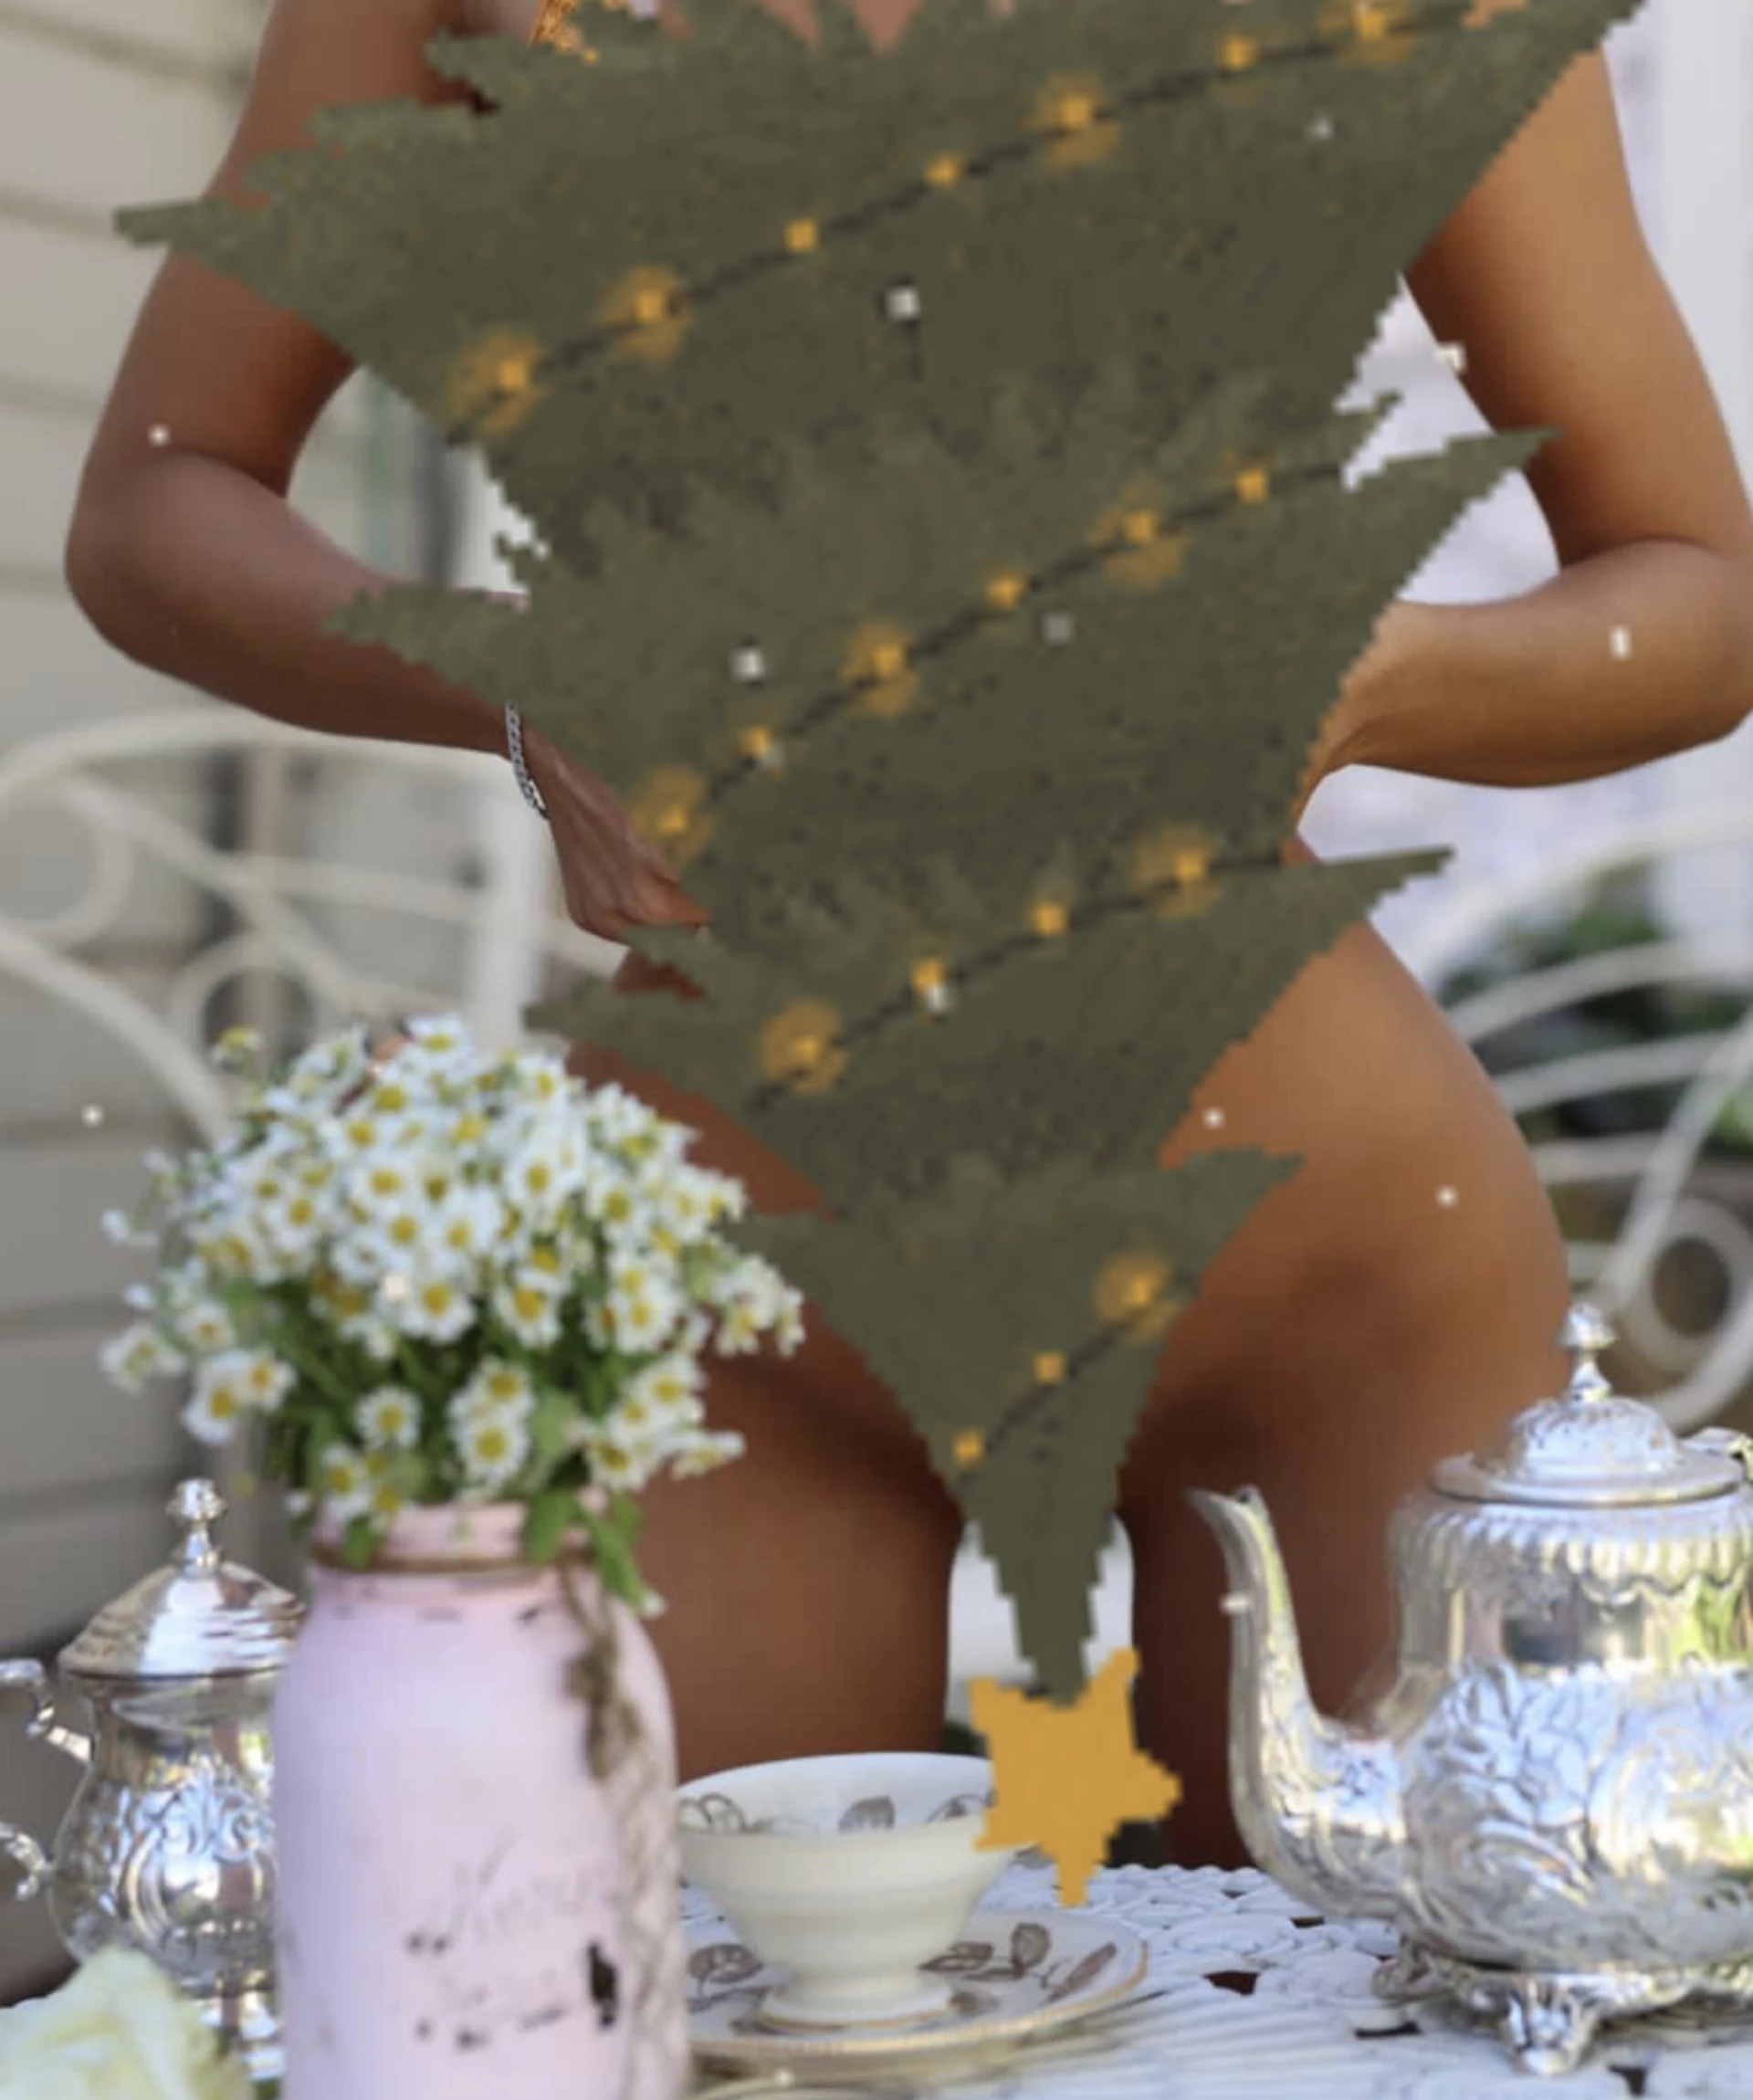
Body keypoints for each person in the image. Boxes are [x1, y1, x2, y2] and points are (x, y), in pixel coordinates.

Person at [66, 0, 1753, 1865]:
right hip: (746, 1294)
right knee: (688, 2037)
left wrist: (1358, 667)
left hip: (1327, 1275)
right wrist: (526, 690)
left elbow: (1699, 588)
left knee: (1394, 2034)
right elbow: (157, 495)